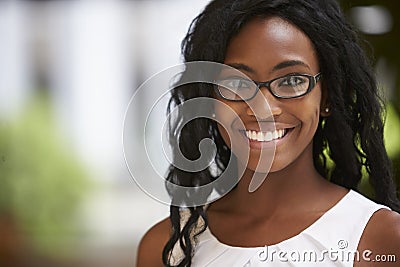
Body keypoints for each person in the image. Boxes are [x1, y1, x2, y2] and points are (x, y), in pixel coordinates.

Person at [136, 0, 400, 266]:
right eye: (237, 83)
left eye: (292, 80)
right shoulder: (166, 247)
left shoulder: (380, 238)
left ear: (328, 96)